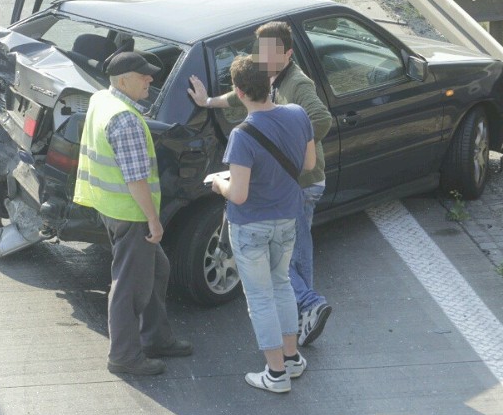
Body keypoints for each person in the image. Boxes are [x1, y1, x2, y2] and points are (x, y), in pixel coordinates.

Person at [189, 21, 333, 347]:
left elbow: (322, 120)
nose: (264, 57)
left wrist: (292, 145)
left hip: (301, 182)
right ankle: (302, 316)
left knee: (282, 257)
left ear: (288, 53)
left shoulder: (297, 83)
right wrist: (209, 101)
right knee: (295, 251)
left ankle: (308, 305)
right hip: (297, 181)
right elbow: (243, 94)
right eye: (261, 50)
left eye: (271, 51)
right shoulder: (269, 77)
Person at [73, 51, 193, 376]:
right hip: (131, 213)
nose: (151, 80)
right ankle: (124, 356)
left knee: (157, 270)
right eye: (144, 76)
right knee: (128, 288)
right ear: (124, 80)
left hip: (111, 207)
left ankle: (156, 337)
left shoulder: (102, 99)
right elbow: (135, 178)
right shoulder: (125, 120)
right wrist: (153, 220)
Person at [209, 55, 316, 393]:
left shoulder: (242, 136)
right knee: (282, 285)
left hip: (251, 226)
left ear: (239, 93)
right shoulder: (298, 115)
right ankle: (292, 358)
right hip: (286, 219)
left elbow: (238, 195)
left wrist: (218, 184)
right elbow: (309, 163)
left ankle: (275, 374)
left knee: (259, 297)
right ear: (270, 82)